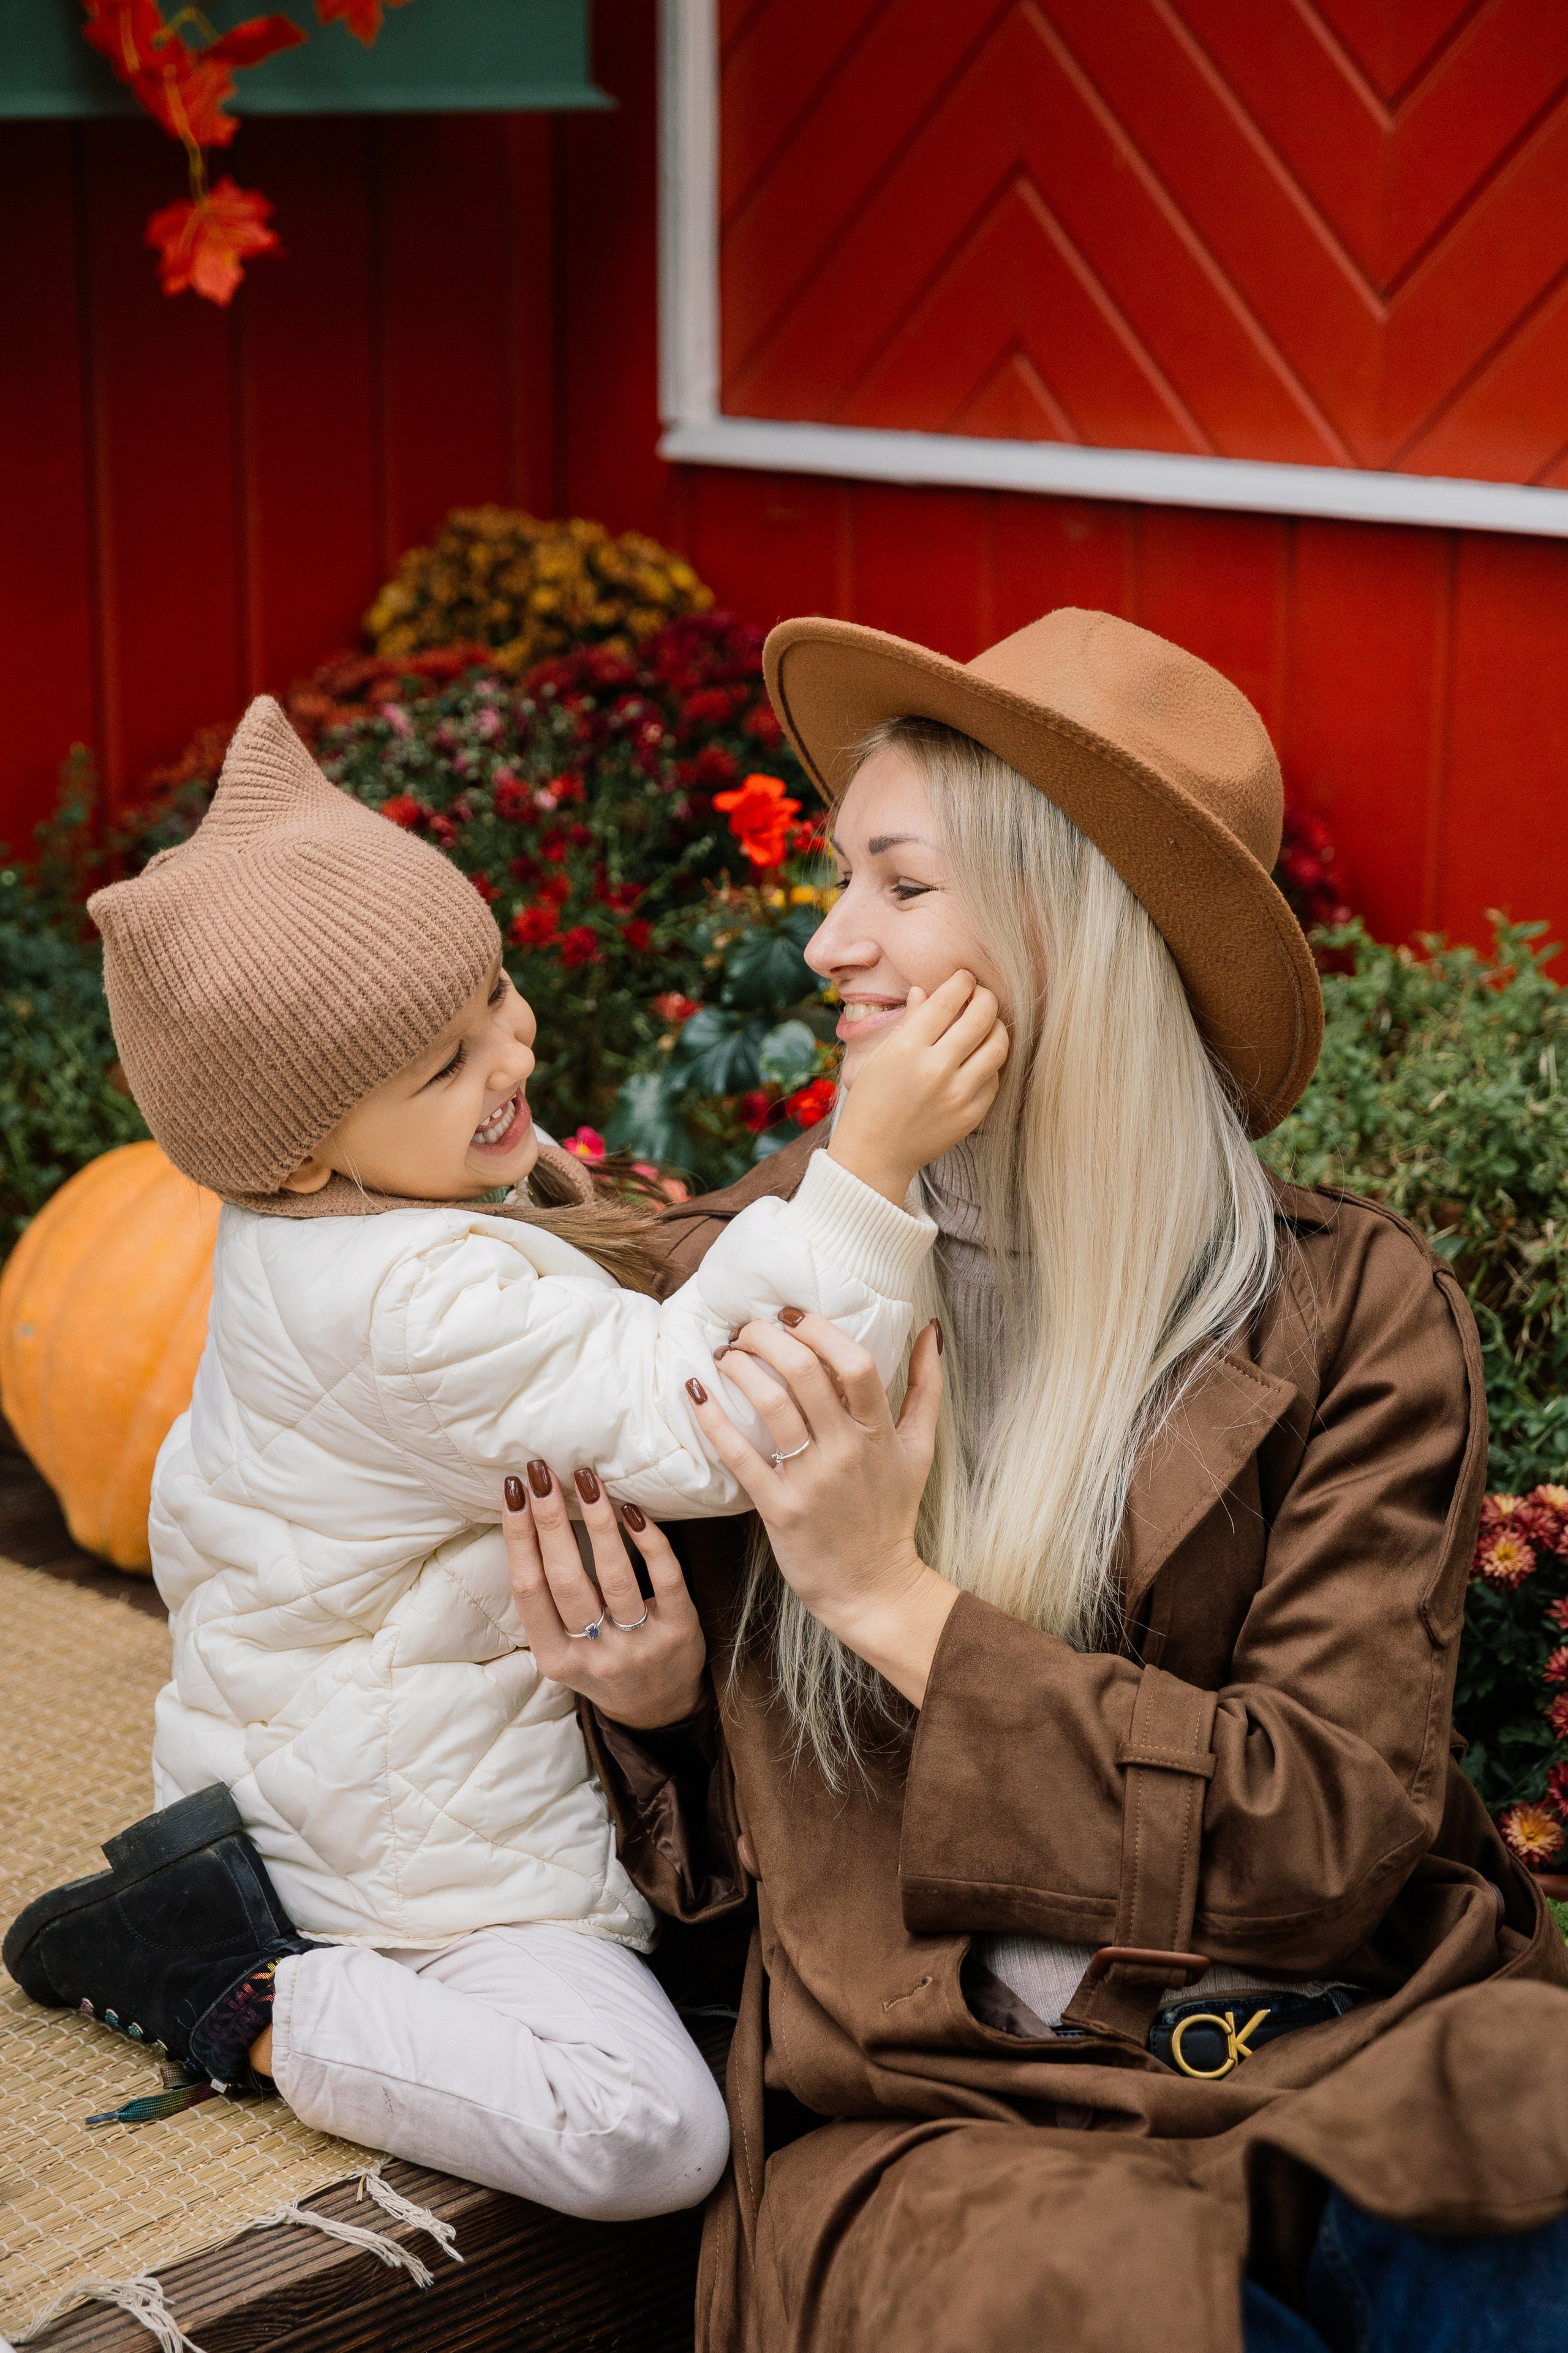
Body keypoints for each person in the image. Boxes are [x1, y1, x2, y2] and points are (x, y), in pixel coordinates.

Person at [502, 609, 1568, 2347]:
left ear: (1073, 923)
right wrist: (661, 1701)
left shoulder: (1347, 1311)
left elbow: (1320, 1835)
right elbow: (729, 1885)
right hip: (961, 2118)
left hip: (1364, 2044)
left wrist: (887, 1595)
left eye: (901, 888)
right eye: (840, 881)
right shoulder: (748, 1289)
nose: (833, 944)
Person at [2, 693, 1007, 2221]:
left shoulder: (360, 1209)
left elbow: (621, 1350)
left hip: (406, 1767)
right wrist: (863, 1169)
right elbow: (703, 1422)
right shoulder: (404, 1303)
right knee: (644, 2132)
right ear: (297, 1150)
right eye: (439, 1063)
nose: (508, 1051)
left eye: (492, 994)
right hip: (414, 1868)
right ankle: (234, 1980)